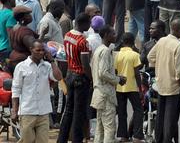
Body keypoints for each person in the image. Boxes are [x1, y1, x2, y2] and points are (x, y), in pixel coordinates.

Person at [11, 40, 63, 143]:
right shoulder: (21, 67)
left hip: (43, 113)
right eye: (38, 50)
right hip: (27, 112)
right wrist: (14, 110)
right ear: (31, 50)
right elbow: (16, 89)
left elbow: (58, 77)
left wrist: (52, 60)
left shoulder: (47, 66)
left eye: (43, 50)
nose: (41, 53)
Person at [147, 18, 180, 143]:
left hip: (160, 84)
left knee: (161, 116)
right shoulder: (179, 46)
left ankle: (158, 139)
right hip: (173, 87)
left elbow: (150, 57)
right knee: (170, 118)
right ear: (178, 29)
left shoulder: (162, 41)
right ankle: (167, 140)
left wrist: (160, 65)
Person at [57, 13, 92, 143]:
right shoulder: (83, 42)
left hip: (70, 74)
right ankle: (77, 140)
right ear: (83, 24)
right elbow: (85, 64)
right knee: (79, 112)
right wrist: (91, 78)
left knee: (68, 110)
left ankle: (62, 139)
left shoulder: (67, 36)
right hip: (80, 77)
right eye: (88, 23)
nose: (90, 26)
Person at [90, 25, 124, 143]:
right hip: (105, 94)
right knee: (110, 128)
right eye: (113, 34)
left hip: (99, 93)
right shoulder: (104, 51)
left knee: (100, 128)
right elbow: (103, 73)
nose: (115, 36)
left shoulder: (99, 50)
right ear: (105, 35)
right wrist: (118, 79)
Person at [115, 31, 144, 143]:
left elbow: (116, 71)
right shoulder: (135, 55)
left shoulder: (117, 55)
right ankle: (137, 136)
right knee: (138, 110)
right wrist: (140, 89)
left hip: (119, 87)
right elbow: (137, 73)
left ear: (122, 42)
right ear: (133, 43)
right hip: (132, 87)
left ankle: (123, 136)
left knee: (122, 112)